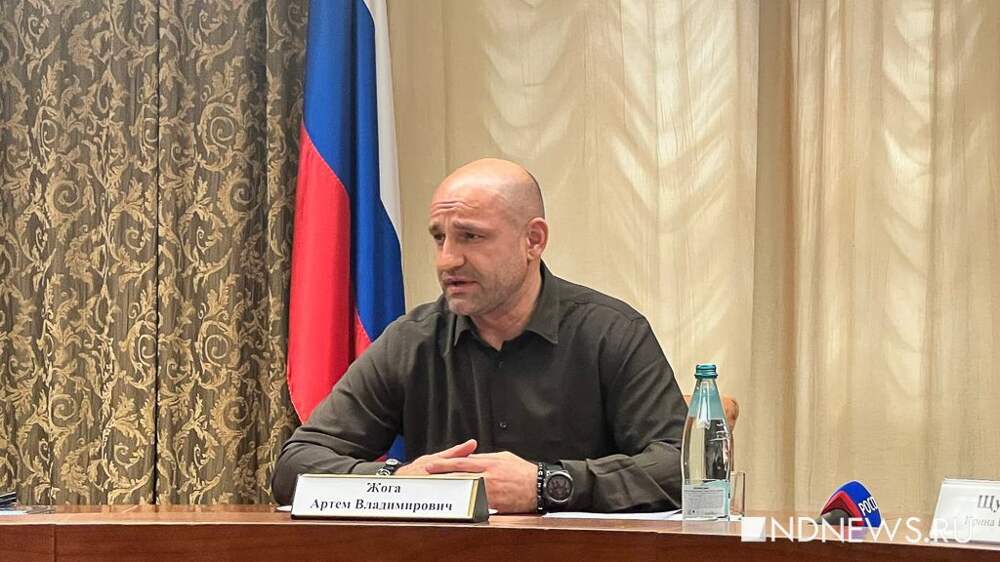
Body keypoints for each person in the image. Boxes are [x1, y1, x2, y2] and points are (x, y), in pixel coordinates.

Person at [272, 158, 688, 513]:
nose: (447, 260)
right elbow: (296, 464)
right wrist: (397, 481)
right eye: (439, 238)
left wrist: (547, 484)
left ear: (533, 240)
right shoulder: (412, 341)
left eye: (470, 236)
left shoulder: (610, 332)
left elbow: (682, 467)